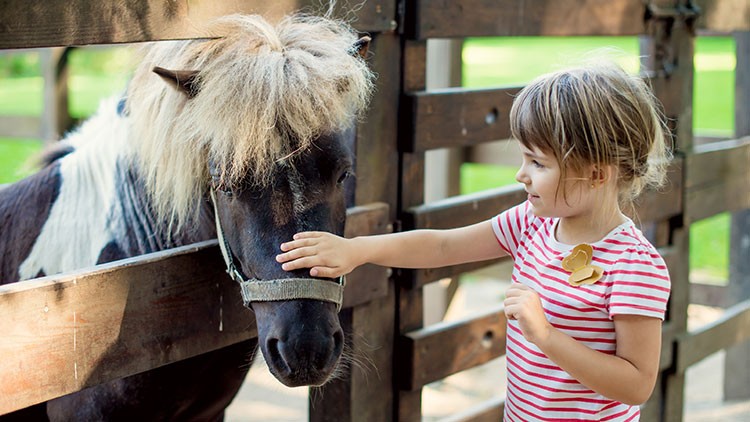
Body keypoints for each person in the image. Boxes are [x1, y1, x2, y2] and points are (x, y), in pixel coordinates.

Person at [277, 62, 672, 421]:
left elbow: (636, 384)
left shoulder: (633, 265)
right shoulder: (531, 224)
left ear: (598, 174)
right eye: (523, 158)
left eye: (538, 163)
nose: (522, 174)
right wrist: (358, 250)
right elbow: (444, 246)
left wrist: (546, 336)